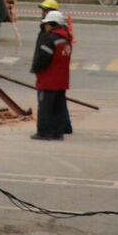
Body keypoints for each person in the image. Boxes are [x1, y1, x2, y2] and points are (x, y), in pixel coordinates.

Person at [30, 9, 73, 140]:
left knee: (45, 108)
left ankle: (43, 132)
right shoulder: (66, 39)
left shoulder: (50, 39)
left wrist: (35, 69)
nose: (45, 26)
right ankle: (57, 133)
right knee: (58, 108)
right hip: (62, 80)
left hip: (48, 80)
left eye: (47, 24)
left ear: (52, 24)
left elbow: (43, 59)